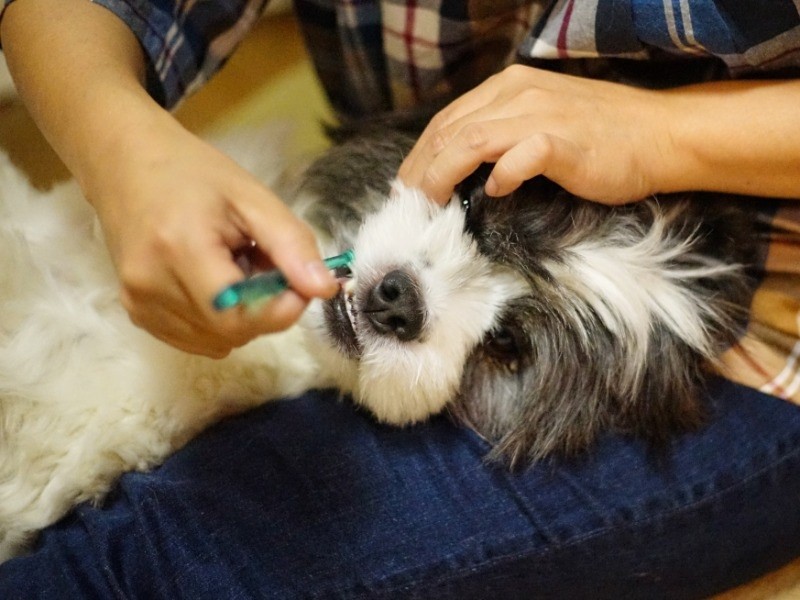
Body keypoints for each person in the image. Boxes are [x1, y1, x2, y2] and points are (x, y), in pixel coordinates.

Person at [0, 0, 799, 597]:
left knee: (157, 562)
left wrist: (664, 134)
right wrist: (119, 142)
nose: (400, 304)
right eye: (471, 218)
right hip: (394, 152)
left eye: (506, 346)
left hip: (773, 332)